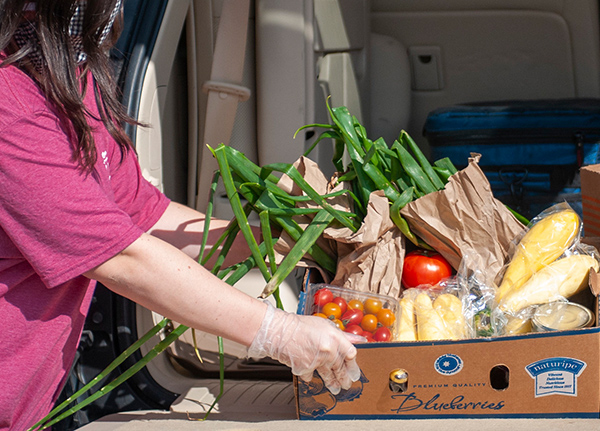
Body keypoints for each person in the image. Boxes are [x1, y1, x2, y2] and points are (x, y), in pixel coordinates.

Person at [0, 1, 361, 429]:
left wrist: (261, 234)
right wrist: (277, 332)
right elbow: (119, 257)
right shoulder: (9, 99)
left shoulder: (70, 77)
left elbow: (142, 215)